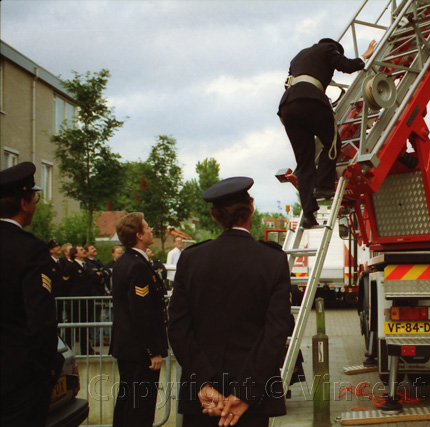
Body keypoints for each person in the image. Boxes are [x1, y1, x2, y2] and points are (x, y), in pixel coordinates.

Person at [168, 177, 291, 427]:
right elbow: (276, 331)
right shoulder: (272, 259)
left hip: (203, 402)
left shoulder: (191, 259)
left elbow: (178, 327)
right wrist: (246, 392)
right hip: (252, 401)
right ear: (251, 208)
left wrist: (204, 383)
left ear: (214, 216)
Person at [278, 38, 376, 228]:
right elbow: (345, 66)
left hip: (288, 106)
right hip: (311, 99)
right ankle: (323, 186)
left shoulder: (299, 55)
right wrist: (363, 57)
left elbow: (289, 82)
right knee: (331, 141)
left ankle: (307, 215)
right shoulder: (329, 49)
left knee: (304, 161)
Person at [0, 162, 62, 426]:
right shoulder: (31, 250)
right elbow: (41, 323)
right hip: (18, 379)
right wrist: (47, 367)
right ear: (25, 203)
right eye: (34, 198)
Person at [110, 212, 168, 427]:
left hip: (128, 347)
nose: (151, 229)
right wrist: (153, 351)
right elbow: (142, 314)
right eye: (147, 227)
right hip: (139, 350)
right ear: (139, 235)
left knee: (126, 404)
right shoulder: (137, 266)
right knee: (140, 410)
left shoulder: (125, 262)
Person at [63, 245, 96, 355]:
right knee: (72, 328)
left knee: (85, 327)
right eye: (81, 250)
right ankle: (68, 351)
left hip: (86, 303)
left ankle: (86, 350)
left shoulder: (86, 266)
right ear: (75, 254)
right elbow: (66, 285)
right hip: (75, 303)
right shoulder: (71, 267)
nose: (84, 251)